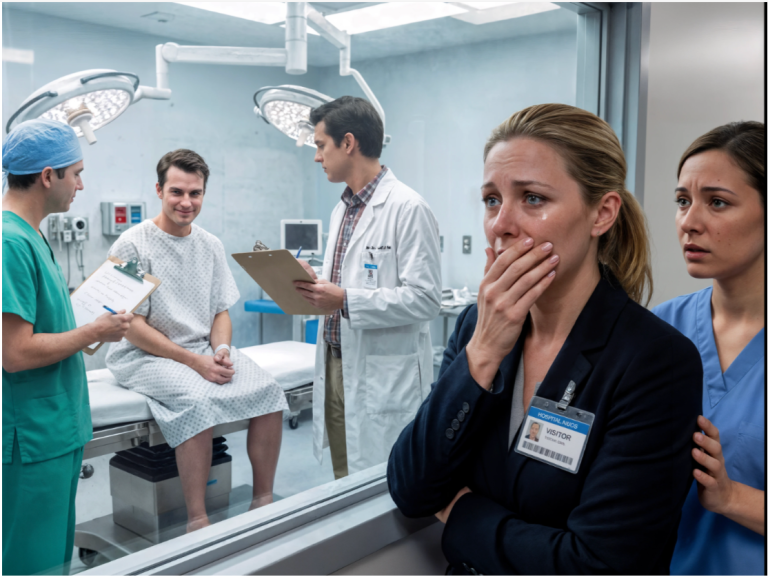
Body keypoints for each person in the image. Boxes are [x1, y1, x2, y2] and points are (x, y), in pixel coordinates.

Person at [387, 103, 703, 574]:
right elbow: (412, 487)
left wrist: (462, 514)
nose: (501, 224)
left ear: (602, 213)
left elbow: (600, 564)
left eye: (532, 198)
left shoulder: (655, 360)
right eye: (492, 199)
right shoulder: (479, 327)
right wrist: (483, 353)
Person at [105, 149, 288, 532]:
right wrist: (194, 363)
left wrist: (219, 350)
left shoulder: (210, 245)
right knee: (198, 401)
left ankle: (263, 500)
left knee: (270, 392)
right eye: (176, 192)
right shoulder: (131, 245)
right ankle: (197, 520)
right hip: (142, 355)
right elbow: (131, 326)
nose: (186, 202)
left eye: (195, 193)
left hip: (202, 349)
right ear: (158, 190)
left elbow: (221, 311)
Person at [2, 119, 133, 575]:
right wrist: (95, 332)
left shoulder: (32, 236)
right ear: (46, 176)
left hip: (56, 426)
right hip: (32, 435)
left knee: (53, 557)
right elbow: (14, 353)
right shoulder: (9, 243)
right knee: (29, 561)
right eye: (75, 172)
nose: (81, 183)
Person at [293, 96, 441, 479]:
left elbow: (426, 299)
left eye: (320, 146)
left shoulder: (408, 208)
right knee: (346, 472)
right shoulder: (342, 209)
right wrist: (315, 286)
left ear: (348, 142)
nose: (316, 157)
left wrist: (343, 298)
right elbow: (346, 286)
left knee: (385, 476)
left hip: (382, 371)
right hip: (336, 360)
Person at [653, 121, 765, 575]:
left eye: (717, 202)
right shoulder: (659, 328)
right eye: (683, 201)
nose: (689, 222)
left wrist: (730, 496)